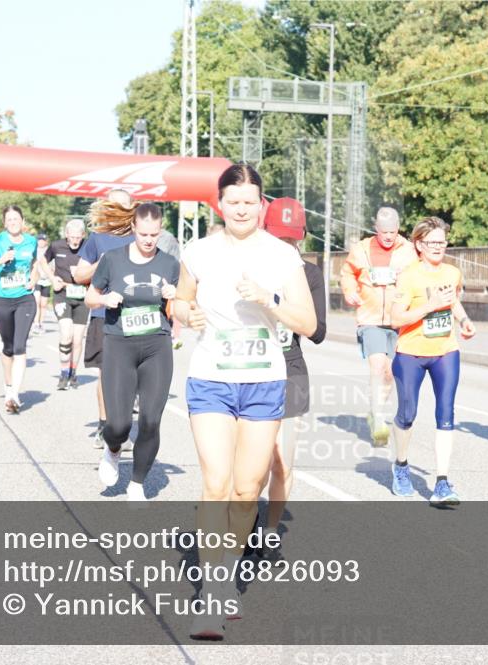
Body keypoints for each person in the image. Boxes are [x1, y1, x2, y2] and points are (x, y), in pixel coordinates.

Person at [173, 164, 316, 640]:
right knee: (216, 482)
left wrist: (270, 298)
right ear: (220, 204)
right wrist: (185, 313)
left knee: (246, 487)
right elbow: (179, 300)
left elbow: (309, 323)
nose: (241, 208)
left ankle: (227, 569)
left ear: (261, 205)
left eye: (250, 201)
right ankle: (211, 596)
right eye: (233, 201)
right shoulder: (199, 251)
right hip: (211, 377)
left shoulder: (282, 256)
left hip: (263, 383)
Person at [85, 203, 179, 501]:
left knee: (150, 419)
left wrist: (174, 297)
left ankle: (137, 482)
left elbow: (183, 305)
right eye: (143, 234)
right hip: (119, 344)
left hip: (156, 345)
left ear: (160, 231)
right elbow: (89, 296)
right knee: (119, 423)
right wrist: (104, 300)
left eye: (154, 234)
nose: (149, 240)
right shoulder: (113, 260)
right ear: (133, 230)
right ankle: (113, 450)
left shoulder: (169, 264)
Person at [257, 198, 326, 562]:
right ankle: (246, 517)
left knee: (283, 459)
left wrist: (282, 309)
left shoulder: (311, 275)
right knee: (252, 460)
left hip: (290, 370)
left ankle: (268, 532)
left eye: (291, 240)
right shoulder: (249, 268)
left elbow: (319, 332)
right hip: (248, 370)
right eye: (278, 238)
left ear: (301, 238)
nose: (285, 246)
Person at [389, 217, 475, 506]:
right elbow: (395, 318)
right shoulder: (408, 276)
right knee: (407, 413)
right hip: (411, 353)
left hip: (445, 351)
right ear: (419, 244)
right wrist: (429, 306)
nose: (438, 247)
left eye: (442, 242)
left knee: (446, 413)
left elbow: (453, 302)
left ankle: (441, 482)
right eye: (432, 242)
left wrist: (463, 320)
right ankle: (401, 466)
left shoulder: (452, 272)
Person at [339, 206, 417, 446]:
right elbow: (347, 273)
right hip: (370, 319)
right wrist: (350, 292)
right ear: (376, 229)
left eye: (392, 232)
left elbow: (417, 278)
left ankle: (376, 411)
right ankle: (380, 421)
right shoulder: (361, 249)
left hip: (398, 319)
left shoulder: (408, 251)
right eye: (384, 232)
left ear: (398, 229)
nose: (388, 237)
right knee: (377, 366)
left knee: (390, 373)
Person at [74, 189, 137, 447]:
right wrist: (97, 264)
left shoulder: (139, 238)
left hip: (135, 314)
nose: (118, 211)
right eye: (113, 206)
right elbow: (79, 275)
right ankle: (104, 424)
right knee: (106, 374)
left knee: (131, 375)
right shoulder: (97, 239)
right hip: (103, 313)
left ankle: (121, 420)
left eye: (123, 206)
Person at [0, 205, 40, 414]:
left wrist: (33, 279)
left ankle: (14, 394)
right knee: (8, 347)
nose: (14, 222)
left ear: (22, 221)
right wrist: (1, 260)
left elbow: (34, 265)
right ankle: (8, 386)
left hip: (24, 299)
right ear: (5, 223)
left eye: (17, 219)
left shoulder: (31, 242)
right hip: (1, 300)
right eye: (10, 219)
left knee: (20, 346)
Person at [41, 218, 88, 389]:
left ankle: (73, 372)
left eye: (78, 237)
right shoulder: (56, 246)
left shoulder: (89, 247)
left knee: (77, 339)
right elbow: (43, 261)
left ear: (83, 235)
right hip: (62, 295)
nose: (75, 241)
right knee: (66, 335)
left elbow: (99, 266)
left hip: (82, 296)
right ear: (66, 234)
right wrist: (52, 278)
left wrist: (87, 278)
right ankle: (63, 373)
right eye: (72, 237)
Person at [156, 227, 184, 350]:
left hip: (165, 287)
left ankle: (175, 336)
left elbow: (176, 265)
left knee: (173, 311)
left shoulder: (167, 239)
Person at [32, 234, 51, 335]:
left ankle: (41, 323)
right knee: (37, 302)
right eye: (39, 240)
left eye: (43, 240)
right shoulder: (35, 251)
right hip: (37, 280)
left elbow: (53, 265)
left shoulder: (49, 251)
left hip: (47, 280)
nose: (41, 242)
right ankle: (35, 323)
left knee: (44, 304)